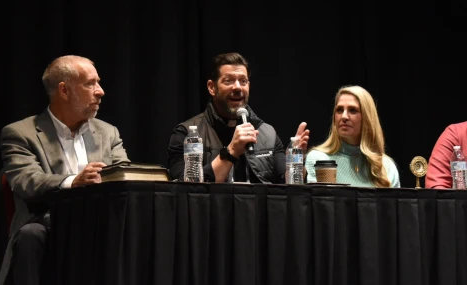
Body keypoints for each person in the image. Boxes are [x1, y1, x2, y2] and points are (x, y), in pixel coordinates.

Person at [0, 55, 130, 285]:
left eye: (98, 82)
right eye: (90, 83)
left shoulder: (108, 133)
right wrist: (73, 182)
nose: (100, 91)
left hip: (100, 222)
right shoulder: (20, 133)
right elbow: (27, 181)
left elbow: (124, 175)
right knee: (31, 235)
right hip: (47, 221)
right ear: (64, 91)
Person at [167, 52, 309, 183]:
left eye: (243, 81)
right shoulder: (186, 134)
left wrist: (296, 162)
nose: (237, 87)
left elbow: (286, 185)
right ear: (212, 87)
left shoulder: (268, 133)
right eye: (228, 81)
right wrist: (231, 152)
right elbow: (184, 190)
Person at [304, 85, 400, 187]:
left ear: (367, 118)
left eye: (353, 110)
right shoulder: (320, 159)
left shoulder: (385, 166)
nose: (344, 116)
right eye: (339, 110)